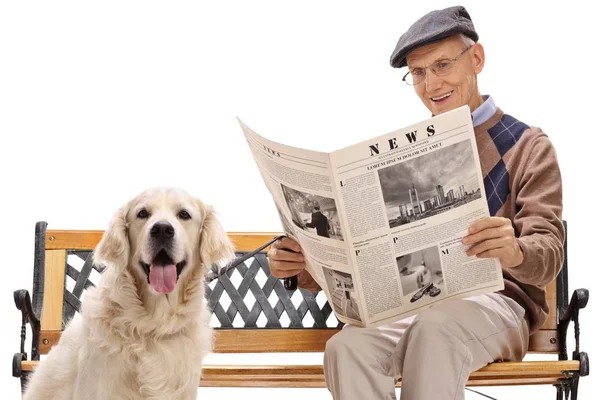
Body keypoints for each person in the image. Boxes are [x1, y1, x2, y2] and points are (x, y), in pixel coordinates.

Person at [267, 5, 564, 400]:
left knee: (435, 328)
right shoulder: (405, 153)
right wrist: (303, 266)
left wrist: (514, 249)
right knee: (348, 347)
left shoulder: (528, 145)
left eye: (442, 65)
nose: (431, 84)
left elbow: (549, 251)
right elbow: (369, 260)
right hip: (413, 307)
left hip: (497, 306)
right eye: (419, 73)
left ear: (476, 59)